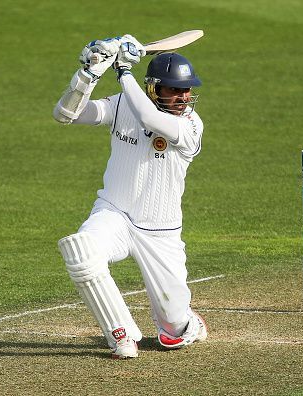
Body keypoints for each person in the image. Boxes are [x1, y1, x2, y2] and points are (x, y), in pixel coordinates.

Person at [52, 35, 207, 359]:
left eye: (186, 89)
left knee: (173, 328)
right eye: (174, 89)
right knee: (81, 251)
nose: (183, 97)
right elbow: (67, 114)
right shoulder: (122, 103)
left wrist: (123, 70)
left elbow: (150, 119)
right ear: (153, 88)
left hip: (160, 231)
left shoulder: (190, 125)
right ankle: (121, 336)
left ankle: (187, 323)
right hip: (115, 213)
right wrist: (88, 74)